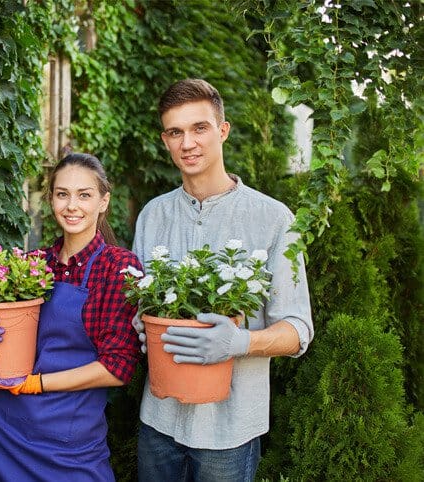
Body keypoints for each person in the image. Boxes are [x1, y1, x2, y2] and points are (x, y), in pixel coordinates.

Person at [132, 79, 314, 482]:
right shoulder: (153, 215)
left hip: (229, 432)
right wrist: (142, 327)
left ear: (223, 130)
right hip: (158, 421)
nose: (188, 143)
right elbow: (142, 304)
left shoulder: (276, 219)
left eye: (200, 128)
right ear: (165, 140)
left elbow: (298, 330)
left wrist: (239, 342)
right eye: (175, 132)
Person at [0, 153, 143, 481]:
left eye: (84, 195)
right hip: (4, 433)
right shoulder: (33, 265)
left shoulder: (117, 267)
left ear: (104, 201)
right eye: (62, 194)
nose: (72, 205)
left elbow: (117, 369)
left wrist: (38, 384)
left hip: (70, 448)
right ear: (50, 199)